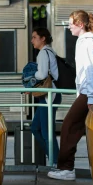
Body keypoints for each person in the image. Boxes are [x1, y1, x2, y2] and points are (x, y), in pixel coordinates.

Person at [48, 10, 93, 181]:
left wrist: (89, 98)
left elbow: (92, 72)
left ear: (80, 25)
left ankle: (66, 169)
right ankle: (66, 167)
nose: (68, 28)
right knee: (74, 127)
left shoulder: (87, 44)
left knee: (69, 126)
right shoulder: (87, 42)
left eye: (70, 24)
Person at [30, 27, 61, 164]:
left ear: (43, 38)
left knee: (46, 132)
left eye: (34, 37)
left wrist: (32, 75)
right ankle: (54, 158)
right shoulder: (50, 51)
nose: (32, 41)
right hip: (50, 94)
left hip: (49, 95)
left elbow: (42, 75)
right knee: (36, 128)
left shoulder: (43, 53)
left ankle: (56, 162)